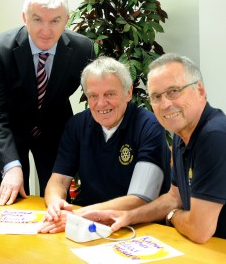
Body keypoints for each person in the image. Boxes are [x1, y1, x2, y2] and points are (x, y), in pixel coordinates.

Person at [82, 53, 226, 243]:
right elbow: (174, 197)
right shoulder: (181, 133)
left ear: (200, 90)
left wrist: (171, 216)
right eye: (156, 96)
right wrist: (127, 217)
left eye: (174, 91)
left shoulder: (214, 136)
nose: (165, 104)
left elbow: (199, 230)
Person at [0, 0, 95, 206]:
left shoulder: (83, 49)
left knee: (57, 200)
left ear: (66, 20)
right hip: (9, 133)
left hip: (53, 129)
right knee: (15, 199)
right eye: (37, 19)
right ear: (24, 17)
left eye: (55, 21)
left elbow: (96, 100)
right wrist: (11, 167)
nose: (46, 30)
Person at [39, 56, 171, 234]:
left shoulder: (149, 126)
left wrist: (79, 215)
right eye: (93, 96)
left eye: (110, 94)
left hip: (138, 227)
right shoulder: (76, 125)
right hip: (87, 226)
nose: (101, 104)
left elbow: (140, 198)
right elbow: (58, 181)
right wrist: (56, 204)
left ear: (128, 92)